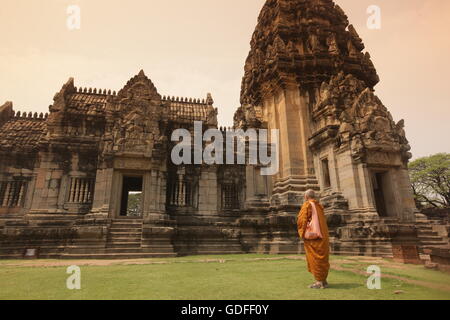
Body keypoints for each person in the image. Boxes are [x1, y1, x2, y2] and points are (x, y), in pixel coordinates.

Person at [297, 189, 330, 289]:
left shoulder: (307, 205)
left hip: (314, 238)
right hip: (323, 236)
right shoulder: (319, 206)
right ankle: (323, 280)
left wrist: (302, 233)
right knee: (322, 258)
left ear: (306, 197)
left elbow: (301, 221)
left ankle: (319, 282)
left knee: (316, 258)